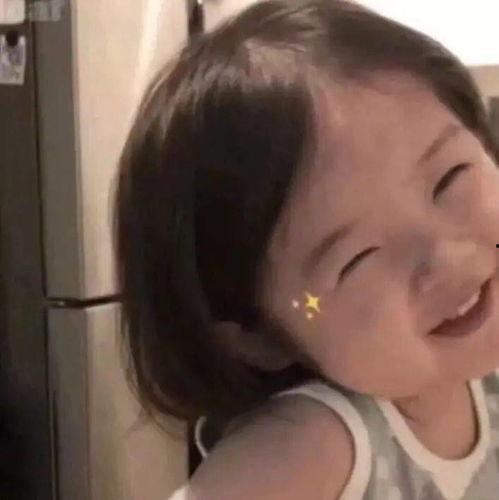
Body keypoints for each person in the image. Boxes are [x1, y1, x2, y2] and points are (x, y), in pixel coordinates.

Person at [113, 0, 499, 498]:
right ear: (259, 336)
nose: (444, 258)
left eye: (451, 178)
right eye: (356, 259)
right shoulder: (315, 443)